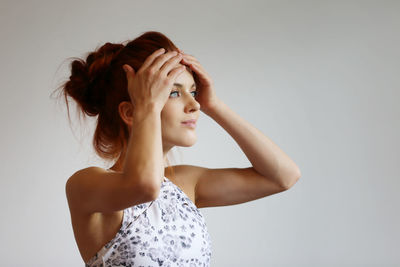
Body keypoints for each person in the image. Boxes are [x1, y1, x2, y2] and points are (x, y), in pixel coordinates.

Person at [58, 31, 301, 266]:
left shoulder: (185, 183)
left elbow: (283, 177)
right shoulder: (85, 185)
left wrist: (213, 105)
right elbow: (144, 187)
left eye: (193, 91)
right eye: (173, 92)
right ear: (131, 111)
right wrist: (149, 108)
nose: (194, 103)